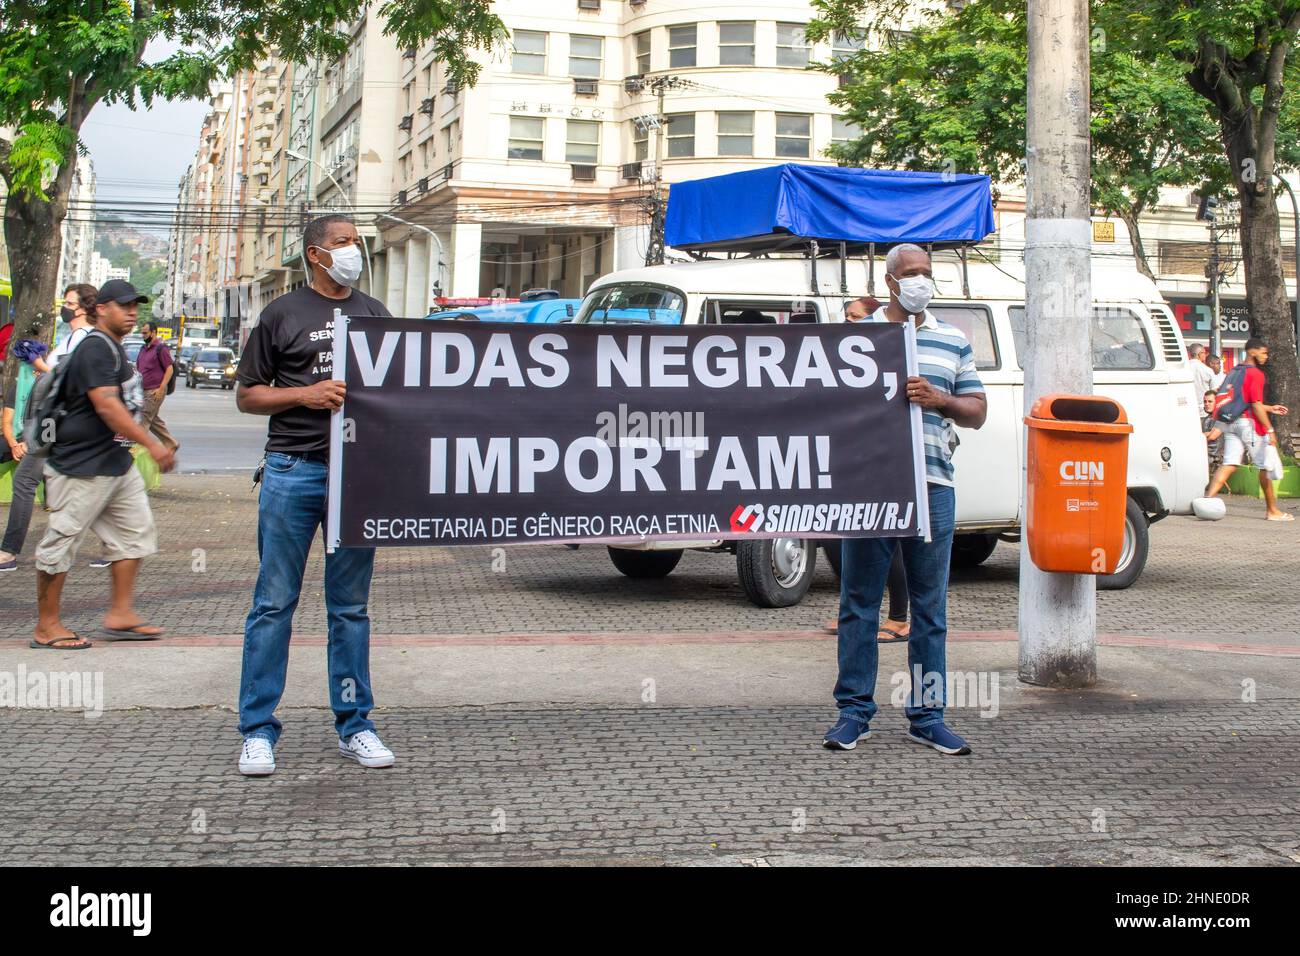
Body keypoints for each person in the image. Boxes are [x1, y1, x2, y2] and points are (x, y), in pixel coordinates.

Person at [234, 214, 396, 776]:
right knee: (274, 602)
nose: (354, 250)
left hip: (357, 476)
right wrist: (306, 395)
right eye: (343, 243)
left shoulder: (375, 314)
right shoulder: (282, 314)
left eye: (357, 242)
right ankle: (257, 729)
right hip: (292, 470)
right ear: (316, 254)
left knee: (349, 607)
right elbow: (248, 397)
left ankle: (356, 724)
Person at [824, 243, 987, 755]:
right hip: (870, 486)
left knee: (930, 608)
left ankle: (928, 715)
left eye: (927, 273)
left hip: (933, 486)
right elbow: (824, 404)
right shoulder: (860, 339)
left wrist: (941, 400)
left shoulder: (952, 340)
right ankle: (854, 712)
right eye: (911, 273)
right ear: (890, 282)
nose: (921, 280)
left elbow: (977, 410)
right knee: (859, 604)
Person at [30, 279, 176, 650]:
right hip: (80, 464)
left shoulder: (113, 347)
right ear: (101, 309)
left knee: (135, 535)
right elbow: (108, 406)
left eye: (135, 307)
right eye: (123, 306)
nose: (131, 312)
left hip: (114, 462)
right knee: (61, 543)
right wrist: (153, 444)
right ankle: (47, 626)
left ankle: (121, 614)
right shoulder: (95, 348)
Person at [1202, 337, 1291, 521]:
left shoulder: (1234, 371)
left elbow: (1241, 402)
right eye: (1263, 352)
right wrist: (1270, 430)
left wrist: (1270, 407)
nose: (1266, 356)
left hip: (1231, 422)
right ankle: (1272, 510)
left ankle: (1207, 502)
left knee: (1229, 463)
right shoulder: (1255, 374)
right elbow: (1255, 405)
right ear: (1253, 351)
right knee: (1264, 466)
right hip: (1248, 425)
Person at [0, 339, 49, 570]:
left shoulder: (50, 381)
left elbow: (50, 423)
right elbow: (7, 421)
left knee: (24, 482)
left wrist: (30, 443)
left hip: (44, 440)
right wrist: (13, 443)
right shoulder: (18, 386)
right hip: (21, 440)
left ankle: (9, 552)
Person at [135, 321, 179, 454]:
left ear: (153, 332)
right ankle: (171, 443)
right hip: (143, 390)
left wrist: (161, 388)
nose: (143, 335)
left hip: (155, 390)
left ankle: (135, 449)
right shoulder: (143, 349)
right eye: (142, 333)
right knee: (152, 418)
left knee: (145, 418)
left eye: (145, 333)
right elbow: (139, 367)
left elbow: (169, 369)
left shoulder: (161, 348)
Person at [1201, 389, 1224, 473]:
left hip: (1217, 460)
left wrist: (1200, 437)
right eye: (1205, 401)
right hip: (1205, 458)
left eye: (1210, 401)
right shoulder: (1205, 419)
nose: (1207, 404)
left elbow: (1212, 436)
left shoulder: (1222, 417)